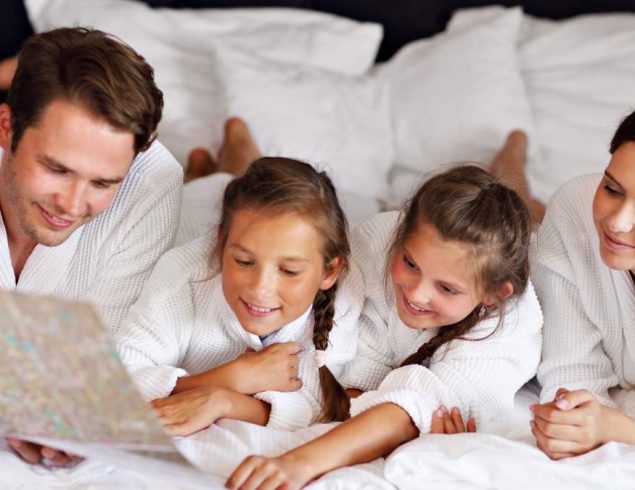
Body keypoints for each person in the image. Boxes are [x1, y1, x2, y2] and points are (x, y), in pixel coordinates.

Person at [224, 164, 543, 489]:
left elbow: (411, 408)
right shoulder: (373, 246)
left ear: (492, 294)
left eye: (447, 288)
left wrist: (298, 463)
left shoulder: (508, 334)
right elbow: (342, 383)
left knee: (519, 190)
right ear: (399, 235)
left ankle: (513, 155)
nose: (416, 294)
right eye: (410, 263)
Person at [2, 27, 182, 465]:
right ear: (6, 128)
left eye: (102, 183)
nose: (71, 204)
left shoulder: (152, 184)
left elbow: (105, 355)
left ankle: (224, 158)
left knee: (226, 196)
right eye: (56, 169)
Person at [116, 156, 364, 434]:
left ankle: (228, 159)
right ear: (221, 244)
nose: (260, 289)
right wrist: (232, 378)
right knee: (205, 188)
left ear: (329, 272)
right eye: (244, 262)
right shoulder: (180, 276)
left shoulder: (345, 296)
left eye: (289, 271)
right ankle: (207, 169)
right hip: (195, 213)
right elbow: (117, 380)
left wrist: (224, 402)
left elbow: (315, 406)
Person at [530, 109, 635, 460]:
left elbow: (605, 421)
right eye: (611, 189)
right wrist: (572, 415)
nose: (618, 224)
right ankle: (513, 153)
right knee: (505, 211)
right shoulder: (575, 207)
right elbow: (572, 375)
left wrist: (615, 427)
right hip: (536, 247)